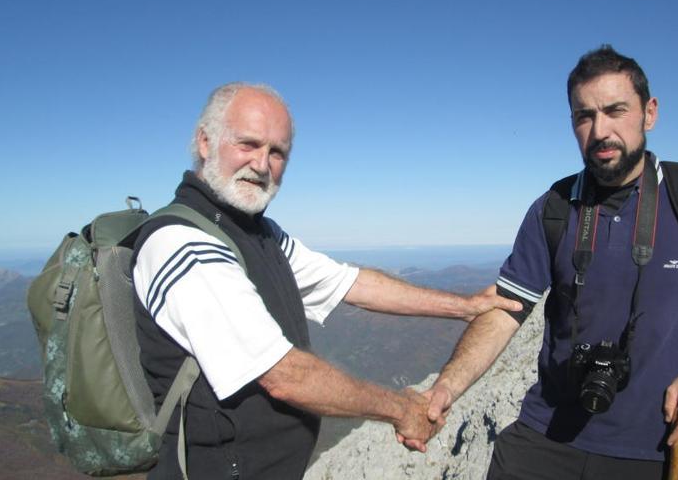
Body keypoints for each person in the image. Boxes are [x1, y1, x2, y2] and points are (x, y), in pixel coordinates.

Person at [404, 45, 678, 479]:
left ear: (649, 113)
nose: (600, 130)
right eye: (584, 116)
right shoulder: (554, 207)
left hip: (660, 444)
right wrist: (447, 387)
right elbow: (504, 312)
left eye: (616, 111)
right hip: (548, 434)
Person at [131, 82, 521, 479]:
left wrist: (465, 307)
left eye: (277, 151)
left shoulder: (255, 233)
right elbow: (285, 375)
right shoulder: (183, 243)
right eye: (248, 144)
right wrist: (403, 410)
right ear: (204, 141)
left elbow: (352, 283)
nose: (262, 164)